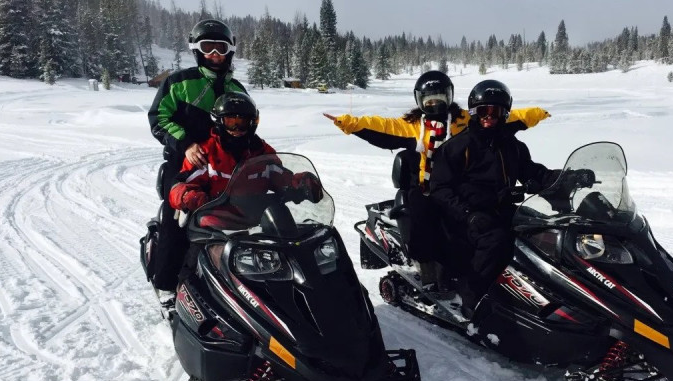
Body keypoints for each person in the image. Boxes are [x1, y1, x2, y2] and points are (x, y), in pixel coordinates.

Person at [323, 71, 550, 284]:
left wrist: (535, 114)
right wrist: (350, 123)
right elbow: (381, 127)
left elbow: (502, 117)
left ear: (449, 96)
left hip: (458, 185)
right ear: (420, 101)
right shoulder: (412, 126)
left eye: (440, 98)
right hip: (426, 187)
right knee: (422, 215)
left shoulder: (463, 120)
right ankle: (427, 266)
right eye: (429, 100)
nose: (435, 105)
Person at [429, 79, 592, 319]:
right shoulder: (457, 147)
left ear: (505, 114)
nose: (489, 117)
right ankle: (471, 299)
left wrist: (568, 178)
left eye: (496, 111)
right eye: (484, 111)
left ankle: (536, 293)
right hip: (465, 215)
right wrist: (467, 214)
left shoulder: (513, 146)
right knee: (495, 241)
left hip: (501, 209)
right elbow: (440, 189)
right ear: (473, 111)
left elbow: (534, 172)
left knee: (542, 235)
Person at [169, 92, 323, 281]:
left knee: (288, 239)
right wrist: (189, 196)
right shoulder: (206, 151)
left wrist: (301, 184)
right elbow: (179, 185)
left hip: (253, 216)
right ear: (218, 121)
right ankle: (185, 289)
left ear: (253, 123)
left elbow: (280, 176)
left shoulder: (261, 151)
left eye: (242, 122)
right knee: (200, 256)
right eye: (230, 121)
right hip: (215, 217)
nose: (237, 128)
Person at [146, 19, 246, 300]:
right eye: (208, 47)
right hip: (182, 166)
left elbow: (248, 129)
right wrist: (186, 144)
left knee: (248, 219)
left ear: (230, 51)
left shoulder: (237, 89)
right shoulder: (179, 82)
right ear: (197, 50)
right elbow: (159, 118)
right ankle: (166, 285)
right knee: (177, 220)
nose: (215, 53)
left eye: (221, 47)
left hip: (226, 169)